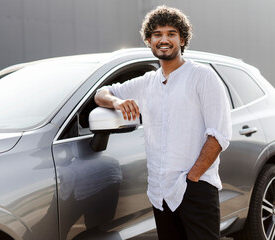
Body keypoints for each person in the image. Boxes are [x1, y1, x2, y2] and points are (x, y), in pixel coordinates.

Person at [94, 5, 232, 240]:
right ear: (149, 40)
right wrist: (118, 103)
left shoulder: (202, 76)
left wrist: (193, 178)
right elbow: (101, 93)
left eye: (171, 34)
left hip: (195, 188)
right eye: (157, 34)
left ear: (182, 39)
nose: (164, 39)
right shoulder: (147, 82)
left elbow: (219, 135)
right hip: (159, 191)